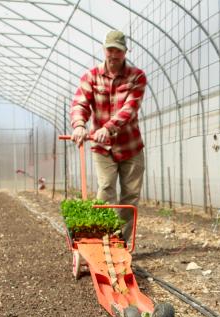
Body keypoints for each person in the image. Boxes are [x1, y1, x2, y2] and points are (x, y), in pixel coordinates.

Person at [71, 30, 147, 243]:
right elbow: (80, 103)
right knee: (105, 189)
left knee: (130, 196)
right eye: (110, 50)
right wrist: (79, 125)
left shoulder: (137, 76)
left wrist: (109, 127)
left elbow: (130, 108)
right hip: (102, 148)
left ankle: (120, 243)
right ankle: (101, 239)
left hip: (131, 146)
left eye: (118, 51)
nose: (113, 55)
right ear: (104, 50)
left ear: (125, 52)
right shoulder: (91, 77)